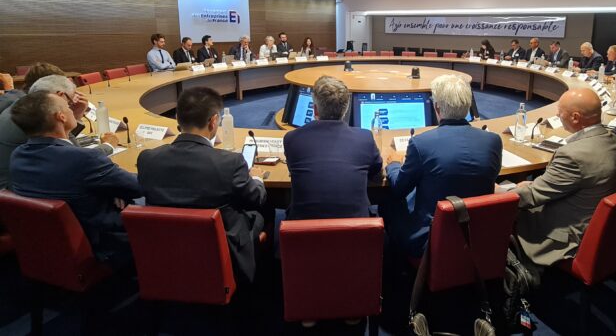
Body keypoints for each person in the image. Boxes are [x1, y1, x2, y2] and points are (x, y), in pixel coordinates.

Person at [137, 87, 267, 283]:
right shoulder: (230, 162)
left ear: (177, 118)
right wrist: (257, 180)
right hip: (220, 255)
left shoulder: (147, 159)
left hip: (166, 253)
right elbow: (255, 198)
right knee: (263, 211)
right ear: (213, 121)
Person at [9, 92, 141, 266]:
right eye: (68, 107)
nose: (71, 110)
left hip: (47, 246)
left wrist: (113, 188)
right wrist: (116, 189)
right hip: (103, 245)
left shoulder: (18, 155)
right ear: (61, 116)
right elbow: (139, 186)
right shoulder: (84, 159)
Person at [509, 88, 616, 269]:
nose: (557, 115)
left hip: (565, 236)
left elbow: (531, 196)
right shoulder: (613, 139)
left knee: (494, 210)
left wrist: (501, 192)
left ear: (575, 117)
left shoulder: (573, 155)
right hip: (598, 224)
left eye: (560, 111)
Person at [382, 74, 501, 258]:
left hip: (432, 239)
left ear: (436, 107)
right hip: (478, 234)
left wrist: (394, 164)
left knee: (389, 204)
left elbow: (399, 188)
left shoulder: (421, 143)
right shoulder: (493, 141)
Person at [283, 76, 382, 220]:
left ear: (315, 110)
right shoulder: (365, 138)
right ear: (346, 109)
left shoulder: (291, 139)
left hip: (303, 230)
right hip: (356, 231)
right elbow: (376, 172)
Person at [1, 74, 117, 189]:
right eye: (70, 101)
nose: (71, 105)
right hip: (18, 191)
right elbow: (77, 158)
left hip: (21, 184)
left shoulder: (22, 108)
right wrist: (108, 145)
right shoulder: (38, 118)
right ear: (60, 96)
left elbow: (65, 147)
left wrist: (73, 117)